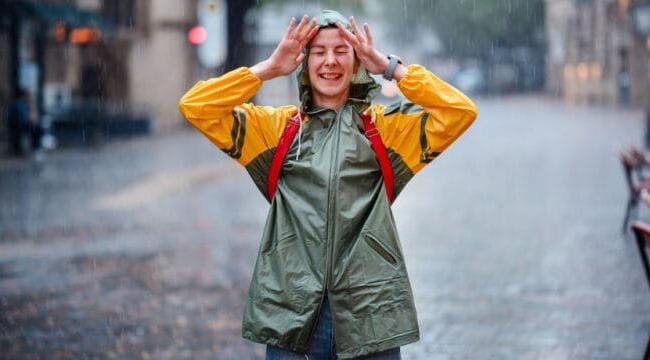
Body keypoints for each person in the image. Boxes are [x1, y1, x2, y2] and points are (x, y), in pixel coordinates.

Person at [179, 10, 477, 359]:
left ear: (357, 61)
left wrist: (390, 67)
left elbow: (460, 110)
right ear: (304, 63)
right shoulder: (277, 130)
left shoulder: (387, 130)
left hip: (372, 317)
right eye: (319, 51)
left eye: (341, 51)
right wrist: (269, 69)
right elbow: (196, 106)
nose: (330, 61)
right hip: (290, 316)